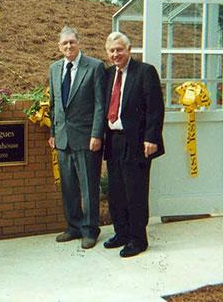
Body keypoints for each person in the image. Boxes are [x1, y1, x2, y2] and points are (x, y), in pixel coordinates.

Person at [102, 32, 165, 258]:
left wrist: (152, 138)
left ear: (129, 50)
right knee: (116, 191)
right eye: (112, 51)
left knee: (135, 191)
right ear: (107, 53)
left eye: (120, 49)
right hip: (114, 141)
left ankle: (138, 239)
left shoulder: (145, 72)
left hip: (137, 142)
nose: (116, 54)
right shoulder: (108, 74)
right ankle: (121, 234)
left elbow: (155, 108)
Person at [48, 26, 106, 249]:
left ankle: (90, 230)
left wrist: (96, 134)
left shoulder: (94, 67)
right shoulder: (54, 69)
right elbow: (54, 104)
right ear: (59, 47)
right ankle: (73, 227)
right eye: (64, 44)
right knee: (69, 187)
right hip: (63, 139)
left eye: (72, 42)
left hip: (86, 139)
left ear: (78, 42)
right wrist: (53, 132)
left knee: (89, 187)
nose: (69, 46)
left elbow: (100, 105)